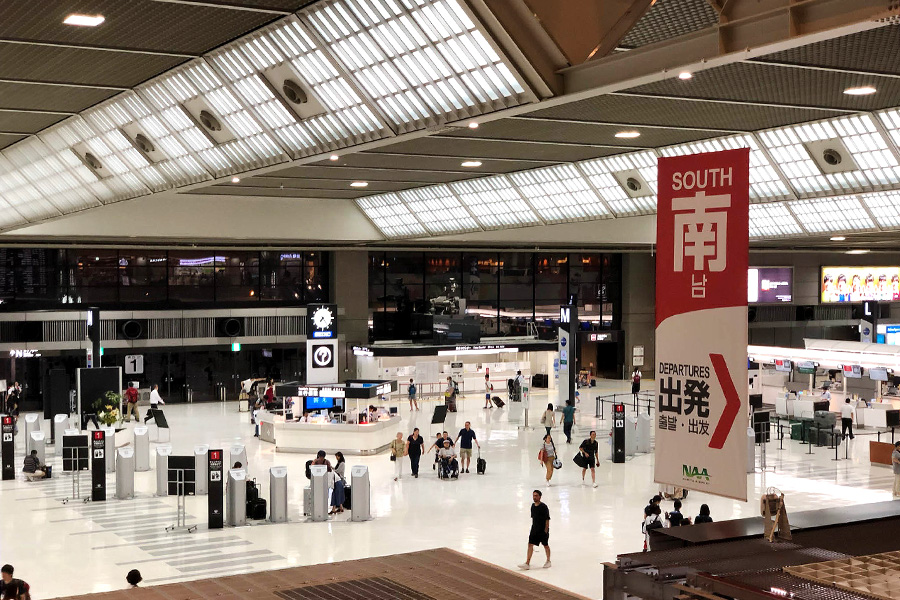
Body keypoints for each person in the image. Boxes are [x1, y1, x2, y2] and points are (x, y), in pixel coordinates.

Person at [519, 489, 550, 570]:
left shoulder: (544, 507)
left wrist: (546, 531)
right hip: (534, 529)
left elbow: (547, 519)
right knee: (530, 544)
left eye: (536, 496)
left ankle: (548, 560)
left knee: (545, 545)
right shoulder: (533, 506)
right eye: (533, 495)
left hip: (542, 529)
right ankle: (527, 562)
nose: (534, 497)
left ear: (540, 497)